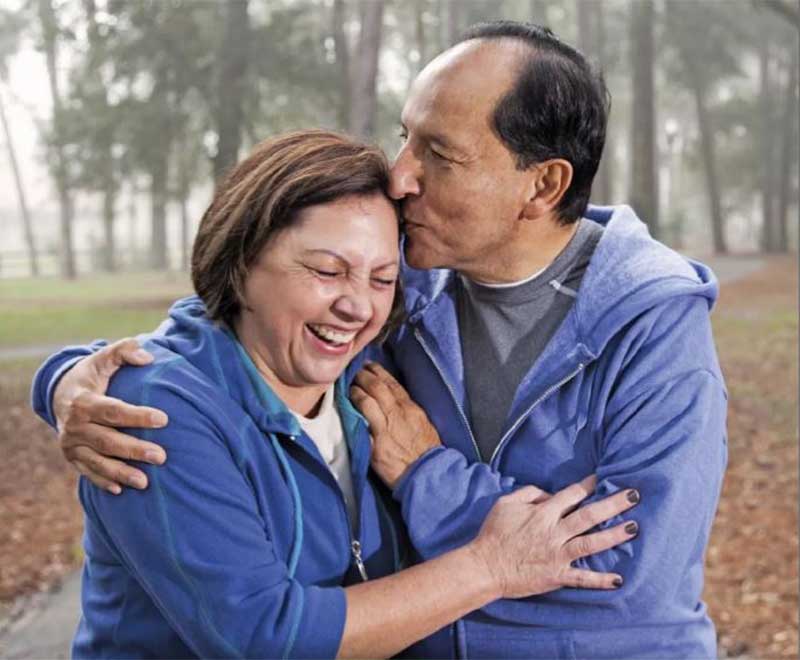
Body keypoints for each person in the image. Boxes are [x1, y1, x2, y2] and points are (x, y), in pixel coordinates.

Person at [32, 20, 726, 660]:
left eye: (439, 154)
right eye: (406, 136)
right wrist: (70, 380)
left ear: (543, 184)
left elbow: (622, 568)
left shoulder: (652, 325)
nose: (401, 174)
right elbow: (240, 314)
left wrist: (430, 478)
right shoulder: (407, 280)